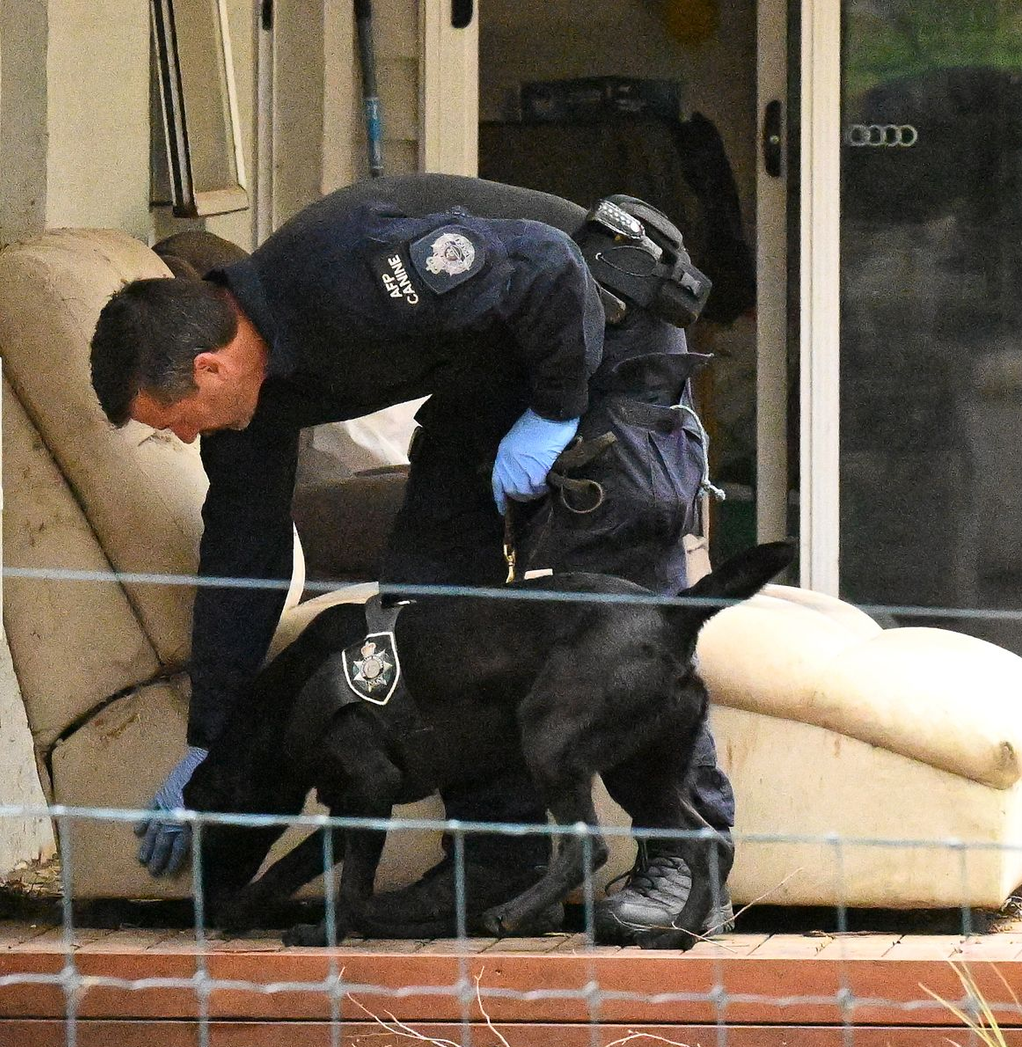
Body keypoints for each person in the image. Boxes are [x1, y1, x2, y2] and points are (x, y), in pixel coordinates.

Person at [89, 172, 736, 942]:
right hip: (490, 372)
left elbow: (550, 268)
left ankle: (688, 861)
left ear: (209, 369)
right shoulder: (253, 404)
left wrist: (557, 414)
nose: (188, 439)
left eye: (177, 422)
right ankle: (506, 855)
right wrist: (210, 737)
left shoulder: (344, 272)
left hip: (597, 322)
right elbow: (242, 558)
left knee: (617, 602)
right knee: (425, 603)